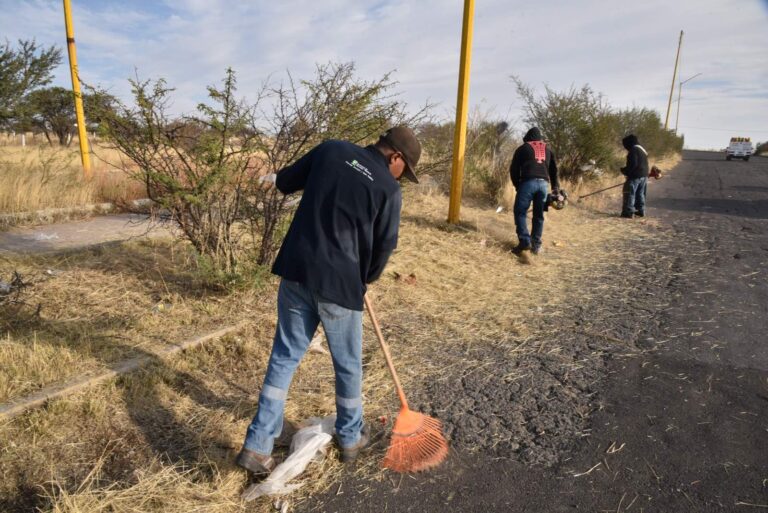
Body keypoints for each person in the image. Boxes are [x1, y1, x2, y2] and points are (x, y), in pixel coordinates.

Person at [236, 127, 421, 475]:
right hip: (340, 284)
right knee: (348, 364)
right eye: (404, 170)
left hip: (297, 270)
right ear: (395, 157)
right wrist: (367, 277)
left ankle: (257, 446)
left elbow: (286, 182)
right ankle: (350, 438)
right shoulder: (388, 189)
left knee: (284, 356)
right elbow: (385, 246)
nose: (402, 177)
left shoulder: (332, 149)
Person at [509, 127, 559, 255]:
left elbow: (514, 169)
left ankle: (525, 241)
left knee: (520, 212)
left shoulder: (522, 149)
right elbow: (554, 171)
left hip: (528, 183)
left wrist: (517, 185)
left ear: (527, 138)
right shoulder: (548, 150)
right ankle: (536, 245)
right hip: (543, 185)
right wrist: (555, 188)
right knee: (539, 215)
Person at [620, 134, 649, 218]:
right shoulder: (642, 149)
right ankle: (641, 211)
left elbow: (633, 164)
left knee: (630, 193)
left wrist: (625, 171)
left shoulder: (633, 150)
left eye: (625, 145)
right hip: (644, 175)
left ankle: (628, 212)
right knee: (640, 194)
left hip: (635, 176)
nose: (625, 147)